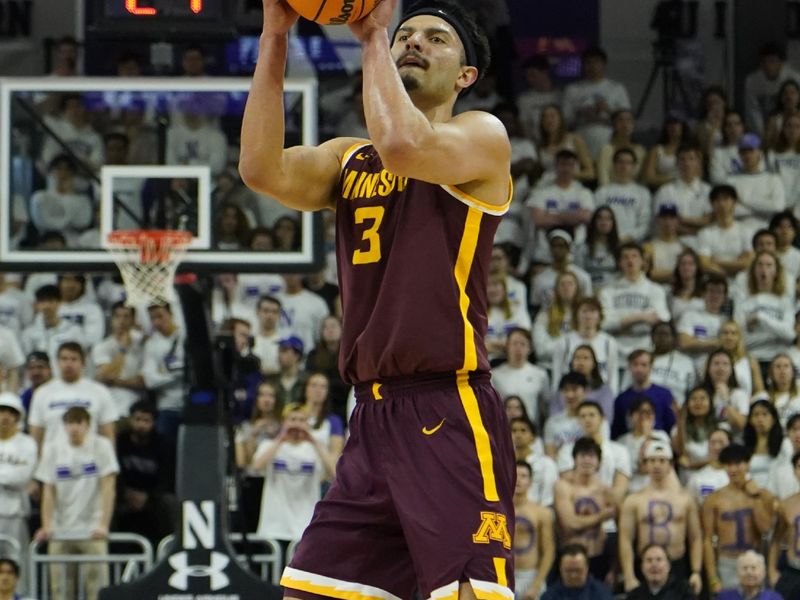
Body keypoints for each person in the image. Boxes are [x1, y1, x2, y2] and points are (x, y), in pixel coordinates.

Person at [239, 1, 517, 598]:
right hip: (370, 417)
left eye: (436, 39)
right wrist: (274, 38)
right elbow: (260, 169)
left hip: (447, 408)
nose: (414, 43)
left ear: (466, 76)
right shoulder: (349, 159)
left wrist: (373, 37)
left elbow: (404, 148)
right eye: (407, 34)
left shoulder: (482, 137)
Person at [33, 407, 119, 600]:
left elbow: (108, 486)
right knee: (60, 590)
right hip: (61, 529)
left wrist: (103, 524)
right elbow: (48, 489)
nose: (74, 428)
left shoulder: (101, 446)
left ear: (87, 425)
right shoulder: (53, 448)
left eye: (79, 423)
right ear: (64, 426)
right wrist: (47, 525)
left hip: (92, 528)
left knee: (96, 589)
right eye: (70, 423)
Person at [618, 442, 703, 594]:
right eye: (652, 461)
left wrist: (696, 571)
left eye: (662, 461)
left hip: (677, 563)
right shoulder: (633, 500)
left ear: (670, 465)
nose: (657, 465)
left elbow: (695, 537)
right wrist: (629, 575)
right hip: (645, 565)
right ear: (645, 465)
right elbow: (625, 539)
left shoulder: (685, 499)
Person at [251, 402, 337, 545]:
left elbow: (335, 474)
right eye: (292, 419)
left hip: (305, 526)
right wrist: (280, 438)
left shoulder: (316, 449)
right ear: (284, 422)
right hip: (275, 526)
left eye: (301, 420)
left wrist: (313, 440)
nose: (297, 424)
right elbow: (256, 466)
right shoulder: (269, 445)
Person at [702, 444, 776, 594]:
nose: (733, 469)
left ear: (748, 464)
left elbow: (765, 529)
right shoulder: (713, 499)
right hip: (727, 563)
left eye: (738, 464)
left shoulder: (764, 495)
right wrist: (713, 578)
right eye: (729, 464)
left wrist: (754, 497)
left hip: (755, 560)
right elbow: (708, 540)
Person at [28, 342, 118, 450]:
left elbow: (107, 433)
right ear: (57, 362)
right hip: (53, 461)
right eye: (64, 359)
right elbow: (36, 434)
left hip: (89, 460)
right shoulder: (42, 393)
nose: (68, 364)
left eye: (73, 359)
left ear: (83, 363)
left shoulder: (99, 392)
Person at [552, 439, 617, 585]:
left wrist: (614, 567)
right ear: (574, 460)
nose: (587, 460)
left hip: (598, 556)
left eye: (592, 456)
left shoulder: (605, 491)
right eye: (582, 455)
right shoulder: (563, 486)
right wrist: (602, 516)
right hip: (569, 556)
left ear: (599, 462)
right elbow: (570, 524)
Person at [113, 400, 175, 546]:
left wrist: (148, 497)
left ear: (154, 422)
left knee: (169, 502)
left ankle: (169, 548)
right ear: (130, 420)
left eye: (146, 421)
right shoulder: (120, 442)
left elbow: (167, 478)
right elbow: (114, 473)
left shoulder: (164, 445)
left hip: (153, 497)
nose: (141, 425)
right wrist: (125, 493)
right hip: (125, 495)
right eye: (138, 419)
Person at [600, 242, 670, 361]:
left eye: (634, 256)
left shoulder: (655, 290)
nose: (630, 260)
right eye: (625, 257)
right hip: (615, 350)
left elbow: (662, 318)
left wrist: (620, 322)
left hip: (646, 349)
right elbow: (604, 324)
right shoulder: (608, 292)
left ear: (643, 261)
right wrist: (641, 317)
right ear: (619, 263)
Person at [561, 45, 631, 160]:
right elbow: (564, 120)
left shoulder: (616, 88)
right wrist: (579, 112)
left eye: (596, 62)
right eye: (588, 63)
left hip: (609, 135)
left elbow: (627, 119)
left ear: (604, 64)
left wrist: (607, 110)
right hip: (581, 135)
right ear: (583, 66)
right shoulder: (573, 89)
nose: (592, 66)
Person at [526, 151, 594, 265]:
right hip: (545, 250)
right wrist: (571, 217)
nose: (566, 169)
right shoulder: (542, 192)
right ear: (555, 166)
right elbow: (538, 220)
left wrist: (552, 216)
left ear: (576, 168)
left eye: (570, 165)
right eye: (563, 164)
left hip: (576, 249)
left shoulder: (583, 193)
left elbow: (586, 217)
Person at [0, 393, 36, 593]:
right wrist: (7, 475)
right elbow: (12, 476)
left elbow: (21, 477)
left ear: (17, 417)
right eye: (1, 411)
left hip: (15, 514)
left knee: (16, 563)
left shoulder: (27, 443)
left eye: (10, 412)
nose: (5, 416)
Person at [551, 297, 619, 397]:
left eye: (592, 311)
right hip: (571, 395)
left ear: (599, 316)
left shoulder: (609, 342)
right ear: (576, 315)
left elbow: (613, 377)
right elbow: (557, 375)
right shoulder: (564, 342)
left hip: (599, 395)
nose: (588, 315)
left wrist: (611, 399)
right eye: (584, 311)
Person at [92, 301, 145, 418]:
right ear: (111, 320)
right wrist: (122, 350)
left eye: (126, 316)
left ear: (133, 321)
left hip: (137, 407)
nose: (121, 321)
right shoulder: (102, 346)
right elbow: (107, 375)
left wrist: (115, 381)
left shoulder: (142, 344)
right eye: (117, 316)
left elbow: (144, 382)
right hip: (111, 404)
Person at [141, 303, 185, 441]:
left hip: (190, 404)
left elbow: (194, 370)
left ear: (171, 314)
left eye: (160, 316)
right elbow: (150, 381)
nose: (157, 322)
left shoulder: (186, 337)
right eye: (152, 318)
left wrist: (164, 373)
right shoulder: (151, 344)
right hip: (167, 407)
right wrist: (177, 374)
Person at [513, 461, 554, 600]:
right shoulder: (496, 510)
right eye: (515, 475)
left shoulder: (542, 513)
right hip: (501, 573)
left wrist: (537, 585)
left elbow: (548, 551)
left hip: (530, 574)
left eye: (523, 476)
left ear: (530, 482)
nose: (518, 479)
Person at [612, 350, 676, 440]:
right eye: (635, 364)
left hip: (659, 443)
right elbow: (617, 431)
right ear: (629, 367)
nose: (639, 369)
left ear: (651, 367)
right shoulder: (621, 399)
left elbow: (671, 426)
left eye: (644, 365)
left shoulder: (664, 394)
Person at [492, 328, 550, 425]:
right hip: (503, 428)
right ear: (507, 347)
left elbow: (545, 406)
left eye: (523, 344)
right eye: (514, 343)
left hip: (531, 428)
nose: (518, 348)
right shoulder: (495, 375)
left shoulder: (540, 374)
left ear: (530, 348)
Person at [594, 148, 652, 242]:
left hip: (632, 243)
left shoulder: (643, 193)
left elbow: (645, 224)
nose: (624, 166)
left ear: (634, 167)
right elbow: (595, 219)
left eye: (628, 163)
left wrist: (628, 238)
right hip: (606, 241)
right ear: (613, 165)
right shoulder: (602, 192)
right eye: (620, 162)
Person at [697, 185, 754, 279]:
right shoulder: (705, 233)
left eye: (726, 199)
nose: (722, 204)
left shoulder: (746, 231)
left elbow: (748, 263)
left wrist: (715, 261)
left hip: (741, 279)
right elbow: (704, 264)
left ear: (734, 202)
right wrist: (727, 272)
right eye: (717, 200)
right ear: (712, 204)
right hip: (714, 279)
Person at [617, 396, 672, 492]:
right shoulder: (622, 441)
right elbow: (639, 468)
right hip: (633, 489)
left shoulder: (662, 436)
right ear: (631, 416)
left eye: (648, 412)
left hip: (659, 488)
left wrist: (647, 434)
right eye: (639, 412)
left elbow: (662, 464)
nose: (644, 416)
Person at [744, 42, 800, 135]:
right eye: (764, 62)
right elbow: (752, 111)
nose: (768, 66)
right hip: (767, 127)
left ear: (781, 63)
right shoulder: (752, 81)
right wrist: (762, 134)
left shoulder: (795, 78)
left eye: (772, 61)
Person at [768, 451, 800, 598]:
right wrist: (772, 571)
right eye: (799, 466)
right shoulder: (786, 505)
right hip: (793, 572)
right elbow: (775, 540)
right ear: (794, 471)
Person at [701, 348, 750, 436]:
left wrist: (726, 400)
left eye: (725, 364)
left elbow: (741, 424)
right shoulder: (701, 395)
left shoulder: (740, 394)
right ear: (708, 368)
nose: (721, 368)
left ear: (731, 370)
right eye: (716, 364)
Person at [672, 387, 719, 479]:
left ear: (710, 403)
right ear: (687, 404)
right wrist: (680, 420)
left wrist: (692, 465)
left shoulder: (720, 428)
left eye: (702, 398)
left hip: (714, 479)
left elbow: (719, 459)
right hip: (688, 479)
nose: (698, 402)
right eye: (693, 399)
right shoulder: (677, 428)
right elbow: (681, 456)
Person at [511, 417, 558, 508]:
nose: (518, 434)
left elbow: (547, 498)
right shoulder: (502, 465)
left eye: (523, 430)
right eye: (514, 431)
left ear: (533, 437)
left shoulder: (546, 464)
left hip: (537, 512)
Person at [539, 544, 613, 600]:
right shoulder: (549, 596)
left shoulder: (601, 593)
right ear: (560, 569)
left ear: (587, 568)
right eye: (568, 571)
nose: (573, 575)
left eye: (578, 570)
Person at [624, 544, 698, 600]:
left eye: (659, 559)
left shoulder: (684, 591)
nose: (654, 565)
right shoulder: (634, 596)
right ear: (642, 568)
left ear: (668, 566)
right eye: (649, 560)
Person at [595, 109, 646, 188]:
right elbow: (603, 179)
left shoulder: (640, 150)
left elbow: (643, 179)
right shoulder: (606, 150)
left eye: (629, 120)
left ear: (634, 125)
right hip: (609, 193)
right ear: (614, 125)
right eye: (620, 120)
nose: (625, 124)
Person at [573, 206, 621, 289]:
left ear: (613, 223)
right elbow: (578, 275)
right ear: (593, 222)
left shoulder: (619, 248)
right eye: (600, 218)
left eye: (608, 219)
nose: (604, 222)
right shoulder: (582, 248)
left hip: (614, 290)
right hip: (589, 291)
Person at [742, 400, 784, 488]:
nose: (760, 419)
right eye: (756, 415)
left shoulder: (784, 444)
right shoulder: (744, 447)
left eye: (765, 414)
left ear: (773, 419)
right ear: (750, 420)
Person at [686, 427, 731, 506]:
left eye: (721, 443)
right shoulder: (697, 478)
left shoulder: (740, 476)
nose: (717, 447)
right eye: (713, 443)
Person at [642, 116, 688, 189]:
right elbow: (649, 178)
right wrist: (675, 180)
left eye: (676, 124)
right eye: (670, 124)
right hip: (663, 190)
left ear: (683, 127)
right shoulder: (656, 150)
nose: (673, 127)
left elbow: (697, 175)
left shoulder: (692, 150)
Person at [717, 550, 783, 600]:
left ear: (763, 573)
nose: (749, 572)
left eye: (753, 568)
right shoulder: (724, 597)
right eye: (744, 568)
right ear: (737, 573)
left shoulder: (774, 598)